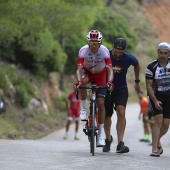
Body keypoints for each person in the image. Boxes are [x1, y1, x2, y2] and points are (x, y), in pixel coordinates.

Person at [74, 30, 114, 146]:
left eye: (96, 44)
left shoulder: (105, 51)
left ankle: (101, 134)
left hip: (100, 75)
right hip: (87, 72)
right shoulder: (83, 50)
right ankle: (83, 109)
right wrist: (78, 82)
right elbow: (79, 69)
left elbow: (110, 69)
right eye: (91, 44)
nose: (94, 46)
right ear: (88, 43)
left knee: (101, 103)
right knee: (83, 83)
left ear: (100, 43)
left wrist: (110, 82)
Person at [103, 38, 140, 153]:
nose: (118, 55)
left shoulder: (128, 58)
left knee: (121, 111)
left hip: (121, 88)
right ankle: (108, 139)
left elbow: (137, 64)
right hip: (107, 87)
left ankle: (120, 143)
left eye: (121, 52)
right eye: (116, 52)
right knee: (107, 116)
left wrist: (137, 81)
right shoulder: (106, 55)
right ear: (113, 48)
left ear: (124, 51)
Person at [145, 42, 170, 157]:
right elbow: (149, 86)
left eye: (165, 53)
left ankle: (157, 140)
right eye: (161, 53)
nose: (163, 55)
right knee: (158, 120)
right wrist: (155, 101)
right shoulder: (151, 67)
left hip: (168, 96)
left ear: (168, 53)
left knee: (166, 124)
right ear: (158, 52)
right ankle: (154, 148)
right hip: (156, 95)